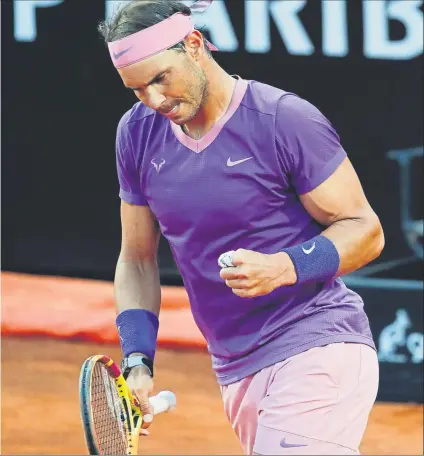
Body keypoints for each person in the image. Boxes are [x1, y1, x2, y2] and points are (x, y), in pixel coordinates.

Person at [98, 0, 384, 454]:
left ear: (194, 45)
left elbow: (365, 230)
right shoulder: (136, 133)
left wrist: (283, 267)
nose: (154, 100)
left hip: (317, 344)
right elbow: (136, 257)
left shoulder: (282, 120)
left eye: (159, 78)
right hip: (235, 366)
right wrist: (137, 360)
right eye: (137, 89)